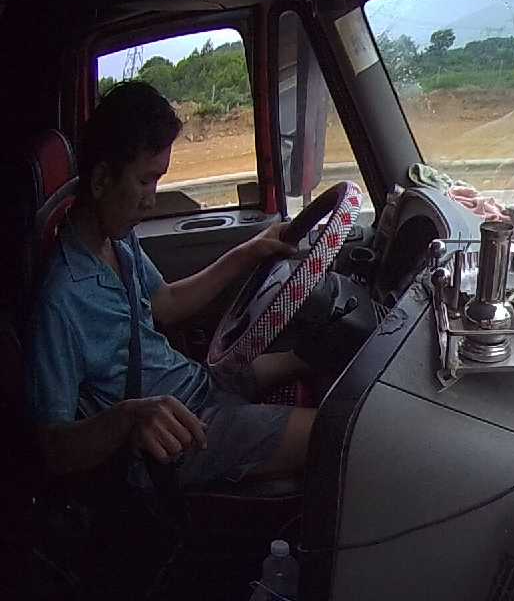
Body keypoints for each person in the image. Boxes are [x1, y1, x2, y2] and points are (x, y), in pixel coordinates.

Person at [27, 81, 314, 491]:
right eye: (145, 182)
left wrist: (251, 250)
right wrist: (129, 419)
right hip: (180, 435)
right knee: (339, 432)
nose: (152, 200)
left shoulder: (117, 240)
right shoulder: (60, 300)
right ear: (102, 179)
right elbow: (53, 447)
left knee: (313, 355)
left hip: (198, 381)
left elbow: (167, 301)